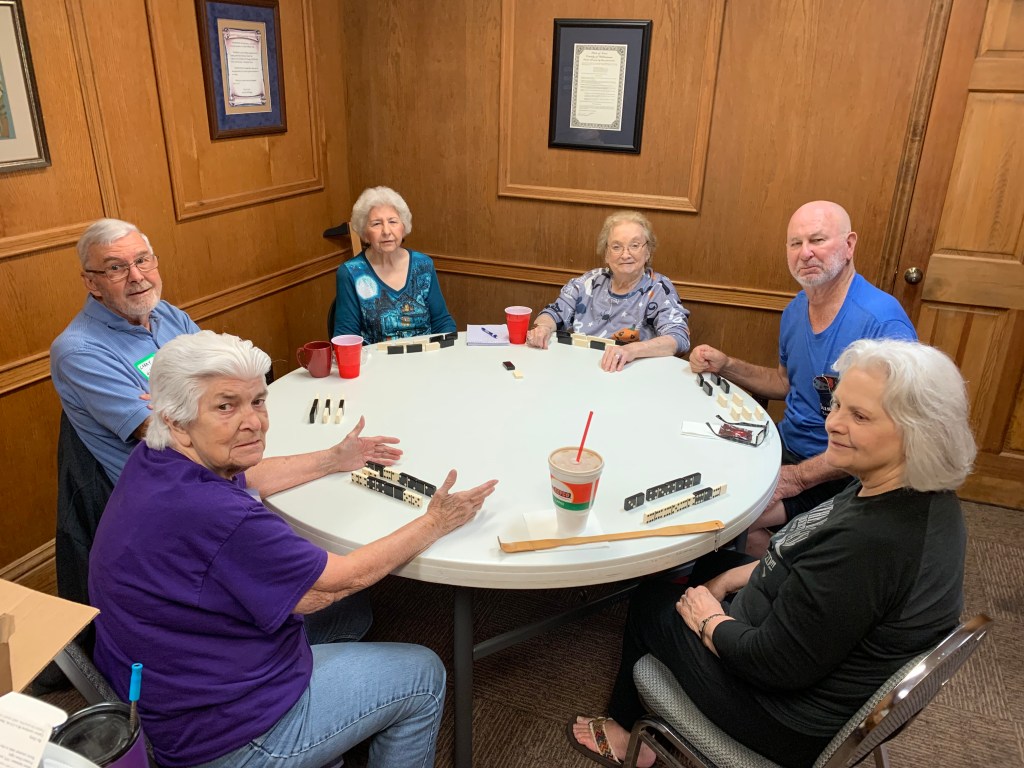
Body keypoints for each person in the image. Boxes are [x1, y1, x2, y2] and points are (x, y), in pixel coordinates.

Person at [89, 331, 498, 768]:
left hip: (161, 687)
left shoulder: (158, 460)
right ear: (176, 421)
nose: (254, 422)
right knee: (422, 671)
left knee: (351, 615)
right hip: (221, 735)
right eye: (226, 406)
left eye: (257, 401)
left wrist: (333, 459)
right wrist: (436, 521)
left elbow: (249, 477)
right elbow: (338, 581)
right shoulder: (219, 515)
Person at [569, 339, 974, 768]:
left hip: (785, 716)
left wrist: (708, 620)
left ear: (917, 430)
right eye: (837, 405)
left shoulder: (871, 544)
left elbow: (773, 664)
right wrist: (727, 580)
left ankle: (626, 738)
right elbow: (805, 558)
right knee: (710, 564)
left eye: (859, 416)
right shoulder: (908, 489)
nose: (833, 424)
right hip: (805, 654)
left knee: (652, 600)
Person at [689, 201, 916, 556]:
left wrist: (795, 478)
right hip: (784, 446)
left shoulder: (882, 323)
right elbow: (785, 383)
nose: (805, 252)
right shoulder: (796, 309)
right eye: (796, 243)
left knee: (734, 520)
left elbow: (890, 437)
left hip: (843, 471)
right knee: (700, 480)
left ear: (849, 245)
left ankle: (785, 576)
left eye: (817, 240)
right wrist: (726, 364)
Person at [51, 218, 200, 484]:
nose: (137, 276)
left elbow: (230, 378)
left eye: (142, 260)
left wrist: (172, 403)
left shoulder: (167, 313)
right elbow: (163, 435)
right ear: (92, 283)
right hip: (167, 487)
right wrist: (206, 393)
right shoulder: (78, 351)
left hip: (211, 461)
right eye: (115, 268)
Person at [526, 210, 690, 372]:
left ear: (648, 252)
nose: (625, 255)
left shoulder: (659, 288)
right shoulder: (588, 282)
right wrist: (544, 327)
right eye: (617, 247)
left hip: (630, 372)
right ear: (606, 254)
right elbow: (554, 312)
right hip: (581, 369)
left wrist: (631, 350)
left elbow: (678, 338)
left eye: (634, 245)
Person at [334, 186, 456, 343]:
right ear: (365, 233)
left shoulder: (423, 265)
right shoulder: (351, 272)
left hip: (426, 354)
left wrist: (446, 350)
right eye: (376, 224)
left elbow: (442, 321)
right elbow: (346, 336)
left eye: (393, 221)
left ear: (403, 227)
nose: (386, 231)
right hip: (376, 358)